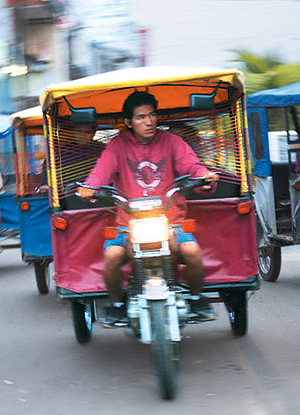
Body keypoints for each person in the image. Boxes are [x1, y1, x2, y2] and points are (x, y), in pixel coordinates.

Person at [77, 91, 219, 327]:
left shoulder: (172, 142)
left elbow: (191, 165)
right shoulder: (117, 145)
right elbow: (100, 172)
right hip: (127, 226)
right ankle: (117, 305)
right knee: (111, 257)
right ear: (128, 122)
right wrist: (90, 188)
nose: (149, 121)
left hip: (171, 223)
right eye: (141, 117)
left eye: (152, 115)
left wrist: (202, 175)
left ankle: (196, 299)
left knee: (193, 252)